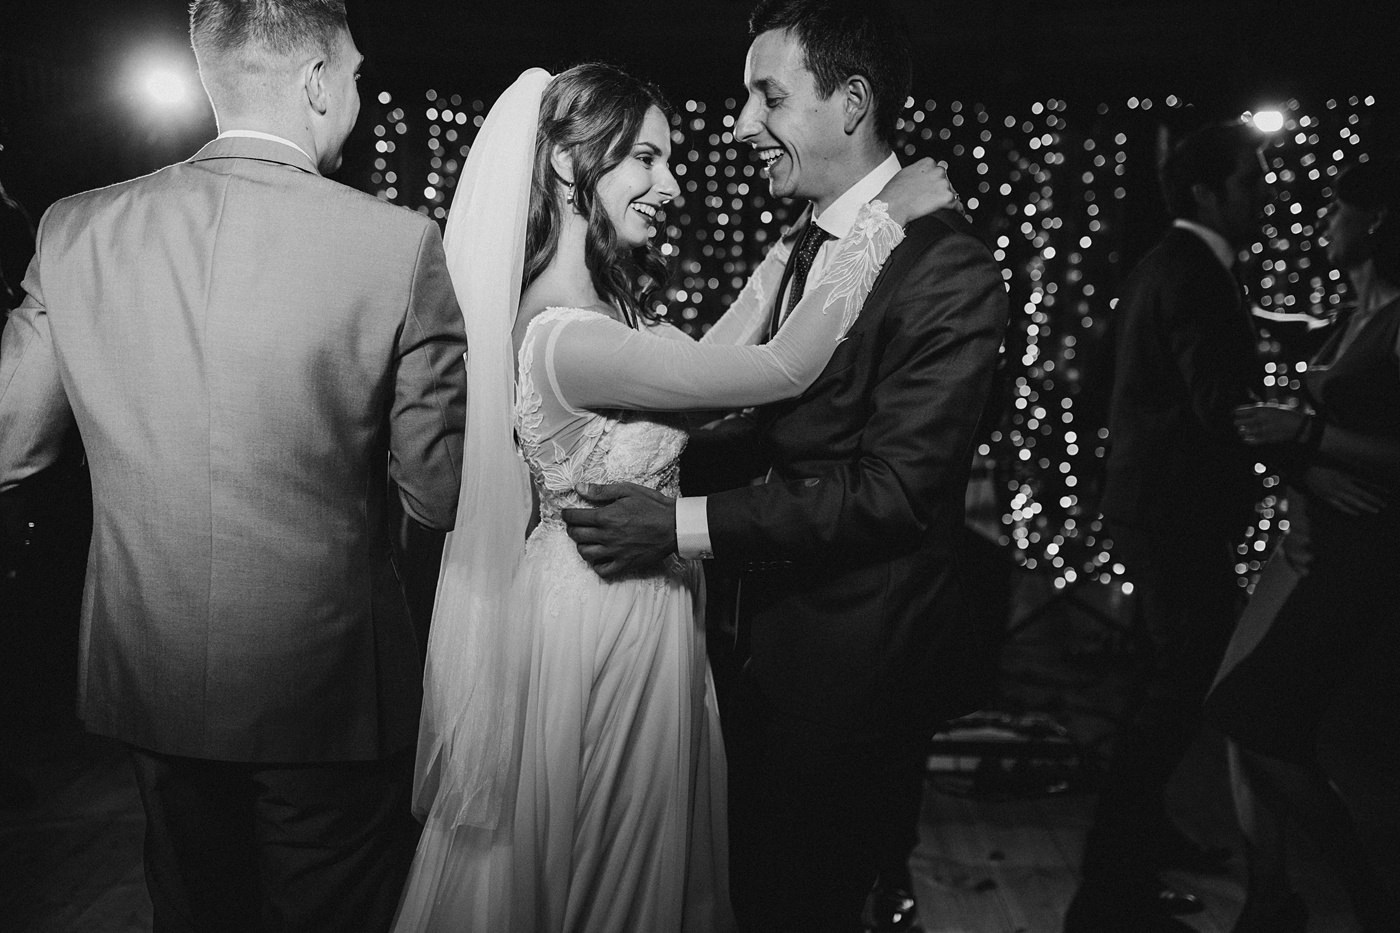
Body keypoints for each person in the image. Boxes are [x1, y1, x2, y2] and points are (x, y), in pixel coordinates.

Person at [390, 64, 954, 933]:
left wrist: (786, 253)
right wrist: (881, 222)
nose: (672, 185)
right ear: (569, 165)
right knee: (604, 870)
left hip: (634, 604)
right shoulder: (569, 336)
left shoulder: (595, 308)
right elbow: (777, 369)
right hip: (599, 616)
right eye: (646, 159)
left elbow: (701, 377)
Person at [0, 1, 469, 930]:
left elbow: (12, 439)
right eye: (357, 75)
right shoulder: (398, 243)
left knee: (194, 909)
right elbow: (436, 490)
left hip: (152, 671)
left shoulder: (76, 229)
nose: (360, 96)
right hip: (327, 687)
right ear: (317, 82)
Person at [559, 2, 1009, 929]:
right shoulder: (808, 243)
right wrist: (640, 458)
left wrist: (675, 525)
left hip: (851, 674)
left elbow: (891, 493)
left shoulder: (947, 267)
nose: (740, 125)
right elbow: (773, 421)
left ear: (852, 103)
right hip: (753, 649)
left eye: (768, 97)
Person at [1062, 120, 1269, 932]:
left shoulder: (1163, 264)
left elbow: (1099, 383)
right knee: (1173, 697)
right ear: (1207, 193)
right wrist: (1301, 436)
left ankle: (1135, 848)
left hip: (1152, 506)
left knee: (1161, 684)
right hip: (1177, 513)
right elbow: (1219, 406)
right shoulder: (1195, 275)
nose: (1265, 195)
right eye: (1251, 181)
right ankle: (1110, 883)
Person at [1209, 157, 1400, 933]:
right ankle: (1268, 897)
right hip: (1300, 542)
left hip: (1350, 553)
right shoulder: (1352, 312)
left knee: (1254, 717)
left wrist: (1308, 435)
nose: (1322, 220)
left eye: (1336, 208)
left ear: (1376, 219)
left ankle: (1370, 897)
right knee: (1240, 716)